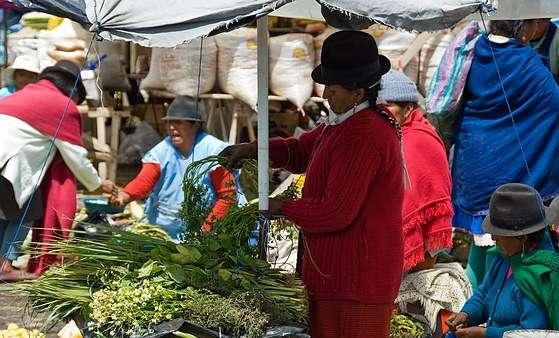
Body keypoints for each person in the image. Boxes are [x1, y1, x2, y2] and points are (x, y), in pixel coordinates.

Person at [220, 30, 404, 338]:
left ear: (357, 92)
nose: (325, 94)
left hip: (357, 282)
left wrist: (277, 207)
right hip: (336, 276)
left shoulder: (365, 134)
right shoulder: (344, 123)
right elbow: (302, 150)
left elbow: (335, 211)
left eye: (332, 88)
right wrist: (254, 150)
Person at [446, 20, 559, 290]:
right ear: (523, 27)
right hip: (511, 167)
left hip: (475, 162)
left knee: (481, 244)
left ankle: (467, 312)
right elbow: (554, 104)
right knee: (513, 248)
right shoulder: (524, 60)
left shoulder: (475, 48)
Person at [0, 60, 111, 279]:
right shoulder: (63, 105)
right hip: (10, 163)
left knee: (4, 213)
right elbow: (76, 157)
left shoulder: (26, 92)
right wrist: (97, 184)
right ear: (73, 89)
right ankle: (5, 265)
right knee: (28, 210)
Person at [104, 95, 245, 242]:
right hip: (164, 231)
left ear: (195, 125)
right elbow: (144, 181)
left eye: (178, 122)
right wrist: (124, 196)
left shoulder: (214, 151)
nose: (171, 127)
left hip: (210, 229)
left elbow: (227, 196)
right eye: (169, 122)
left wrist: (205, 231)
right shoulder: (163, 150)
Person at [446, 183, 559, 337]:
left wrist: (487, 334)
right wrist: (466, 314)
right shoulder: (504, 257)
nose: (493, 237)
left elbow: (532, 333)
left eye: (499, 233)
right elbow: (484, 293)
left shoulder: (539, 276)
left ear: (522, 237)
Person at [378, 69, 453, 272]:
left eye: (388, 106)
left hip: (420, 237)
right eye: (377, 107)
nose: (381, 113)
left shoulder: (416, 139)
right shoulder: (392, 134)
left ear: (408, 108)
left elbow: (410, 198)